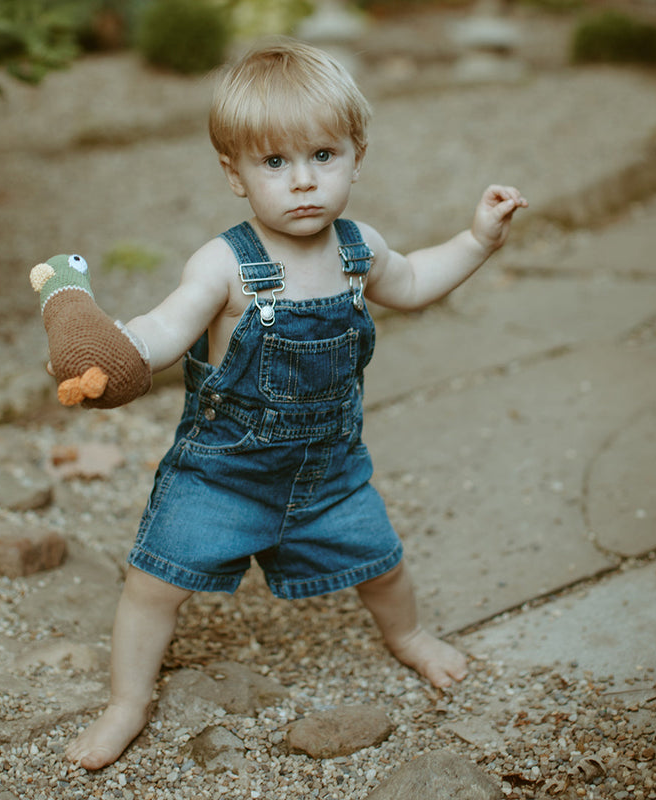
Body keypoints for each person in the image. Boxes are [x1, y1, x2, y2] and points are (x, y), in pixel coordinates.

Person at [63, 40, 527, 770]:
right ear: (235, 173)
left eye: (323, 155)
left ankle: (406, 637)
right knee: (152, 584)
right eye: (275, 163)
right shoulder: (225, 264)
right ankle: (128, 702)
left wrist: (475, 241)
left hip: (327, 472)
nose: (304, 182)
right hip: (222, 475)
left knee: (383, 564)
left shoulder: (358, 249)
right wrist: (120, 347)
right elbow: (167, 324)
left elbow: (411, 283)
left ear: (357, 154)